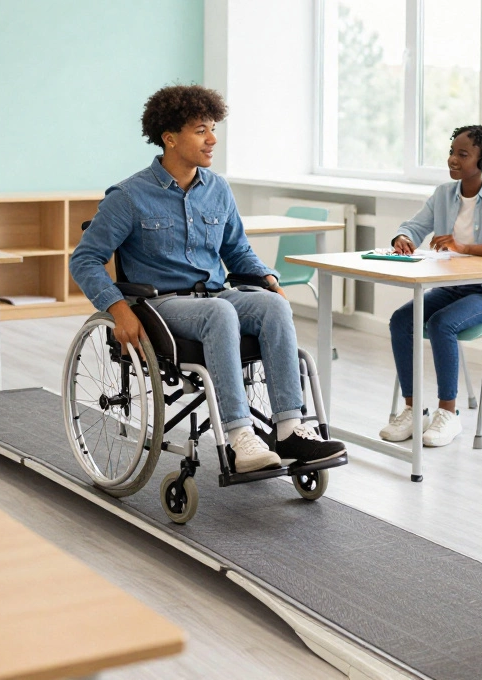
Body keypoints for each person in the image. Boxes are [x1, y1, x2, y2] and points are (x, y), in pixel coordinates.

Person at [70, 85, 345, 473]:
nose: (213, 139)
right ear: (170, 138)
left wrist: (267, 278)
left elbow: (236, 249)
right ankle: (239, 438)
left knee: (274, 305)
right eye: (201, 130)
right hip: (162, 305)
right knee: (219, 314)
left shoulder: (218, 190)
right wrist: (118, 309)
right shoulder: (129, 197)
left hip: (215, 296)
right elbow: (84, 260)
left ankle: (290, 429)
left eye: (213, 128)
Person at [379, 125, 482, 447]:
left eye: (463, 154)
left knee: (441, 323)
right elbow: (414, 226)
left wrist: (464, 247)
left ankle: (449, 413)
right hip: (451, 286)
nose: (453, 160)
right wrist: (402, 238)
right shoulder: (444, 194)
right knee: (402, 320)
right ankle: (414, 409)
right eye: (452, 152)